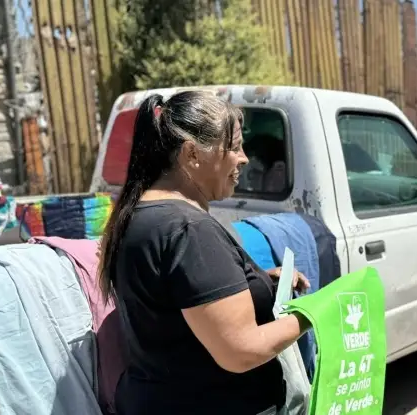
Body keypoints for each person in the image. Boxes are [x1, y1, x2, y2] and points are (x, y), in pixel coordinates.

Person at [97, 91, 311, 415]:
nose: (245, 159)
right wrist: (316, 313)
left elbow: (179, 299)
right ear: (192, 154)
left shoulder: (137, 216)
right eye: (235, 147)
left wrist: (256, 282)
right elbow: (240, 350)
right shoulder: (189, 229)